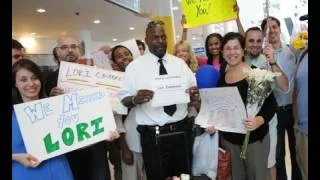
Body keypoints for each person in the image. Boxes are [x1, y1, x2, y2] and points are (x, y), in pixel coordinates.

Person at [118, 20, 200, 180]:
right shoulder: (134, 67)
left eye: (163, 37)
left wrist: (193, 93)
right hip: (152, 136)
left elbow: (193, 91)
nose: (161, 41)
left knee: (183, 177)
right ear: (147, 39)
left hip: (181, 131)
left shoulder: (180, 64)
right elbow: (123, 99)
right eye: (156, 37)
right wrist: (135, 99)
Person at [45, 36, 118, 180]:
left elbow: (108, 100)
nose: (70, 50)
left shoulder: (93, 74)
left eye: (73, 46)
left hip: (95, 142)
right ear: (57, 52)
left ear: (79, 50)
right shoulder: (49, 79)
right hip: (69, 145)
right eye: (64, 47)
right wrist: (51, 101)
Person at [218, 32, 277, 180]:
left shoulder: (256, 74)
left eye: (236, 48)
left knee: (258, 176)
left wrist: (259, 120)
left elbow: (271, 104)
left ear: (243, 50)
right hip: (230, 142)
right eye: (228, 48)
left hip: (255, 140)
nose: (232, 52)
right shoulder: (221, 79)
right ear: (222, 52)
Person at [12, 59, 73, 180]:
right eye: (23, 80)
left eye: (34, 78)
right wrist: (16, 157)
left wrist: (103, 133)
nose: (31, 83)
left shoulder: (58, 110)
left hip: (59, 172)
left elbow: (76, 139)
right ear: (15, 83)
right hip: (24, 174)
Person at [243, 26, 290, 180]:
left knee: (270, 164)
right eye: (251, 40)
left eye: (258, 40)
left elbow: (284, 86)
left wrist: (274, 62)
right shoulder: (239, 59)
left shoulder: (268, 60)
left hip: (268, 123)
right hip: (245, 123)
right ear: (245, 42)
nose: (255, 44)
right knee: (250, 165)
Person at [261, 16, 302, 180]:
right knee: (278, 154)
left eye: (274, 27)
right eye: (267, 28)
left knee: (296, 152)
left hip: (293, 110)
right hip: (275, 111)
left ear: (280, 29)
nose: (271, 31)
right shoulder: (263, 58)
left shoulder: (293, 51)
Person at [111, 45, 147, 180]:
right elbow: (117, 119)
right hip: (131, 143)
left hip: (151, 140)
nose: (124, 57)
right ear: (114, 63)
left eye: (126, 53)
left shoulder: (145, 76)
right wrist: (124, 148)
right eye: (119, 56)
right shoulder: (113, 83)